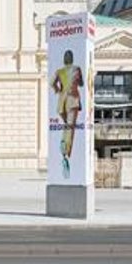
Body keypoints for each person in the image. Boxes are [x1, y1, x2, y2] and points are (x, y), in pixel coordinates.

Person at [51, 49, 84, 178]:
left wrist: (58, 90)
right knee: (71, 128)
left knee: (66, 126)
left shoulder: (59, 71)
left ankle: (63, 142)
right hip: (72, 101)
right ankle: (66, 153)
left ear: (64, 60)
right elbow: (81, 83)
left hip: (61, 103)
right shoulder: (77, 69)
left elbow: (51, 83)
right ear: (72, 59)